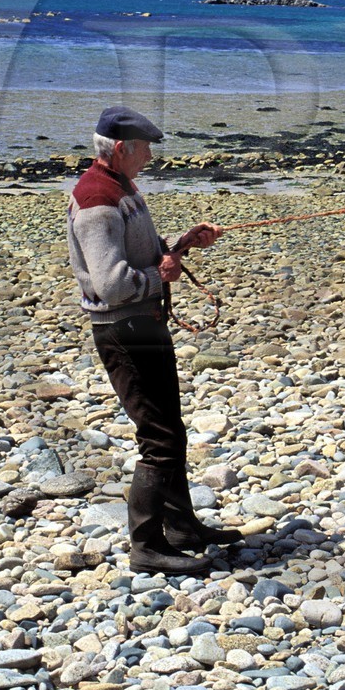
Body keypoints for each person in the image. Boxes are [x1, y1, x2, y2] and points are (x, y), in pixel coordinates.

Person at [67, 105, 243, 575]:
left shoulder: (120, 186)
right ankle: (145, 546)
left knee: (170, 429)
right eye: (144, 148)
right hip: (124, 329)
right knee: (159, 437)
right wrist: (158, 275)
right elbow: (111, 284)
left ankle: (181, 529)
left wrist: (180, 245)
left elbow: (140, 253)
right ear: (120, 148)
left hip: (143, 323)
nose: (149, 156)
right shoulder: (97, 200)